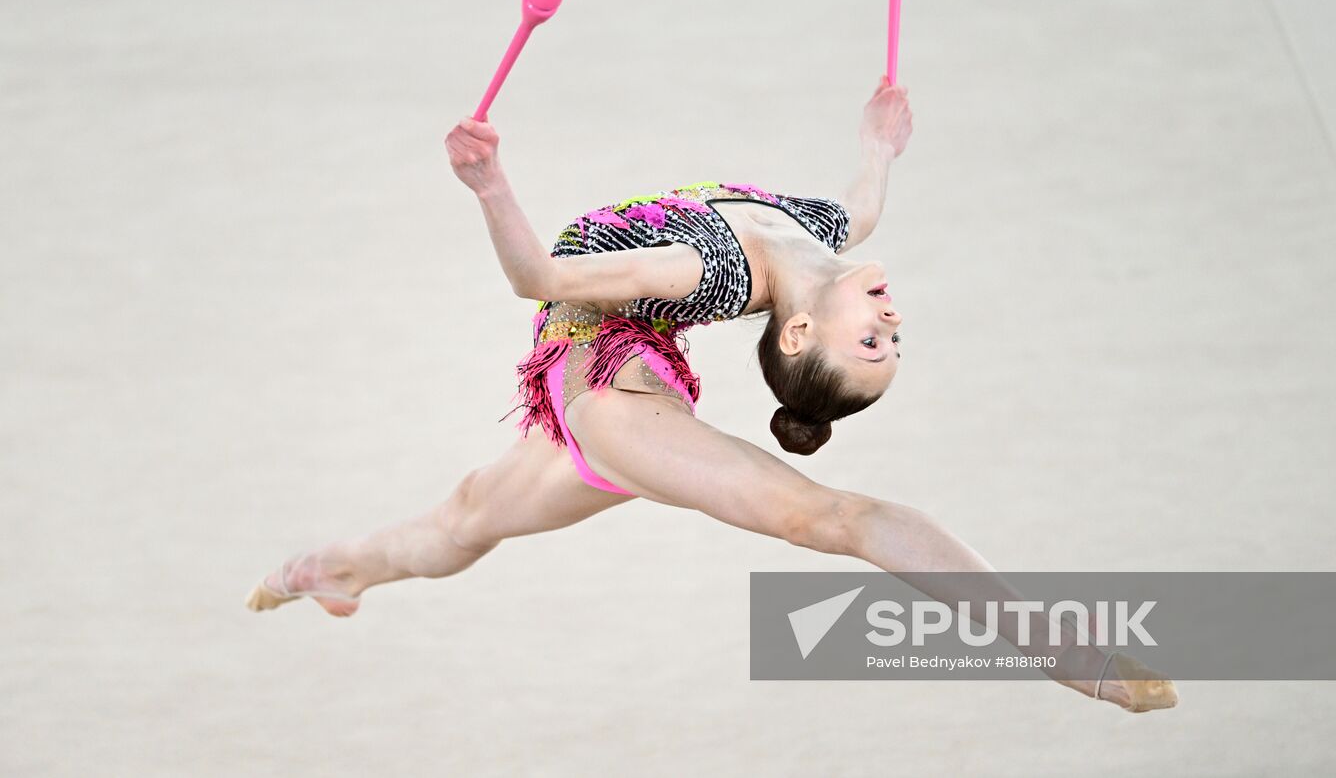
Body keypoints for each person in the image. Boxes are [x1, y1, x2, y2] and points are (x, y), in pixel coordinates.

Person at [246, 77, 1176, 714]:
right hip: (598, 390)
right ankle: (338, 567)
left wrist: (489, 183)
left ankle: (1059, 651)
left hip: (612, 393)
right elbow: (860, 210)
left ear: (798, 334)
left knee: (833, 517)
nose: (891, 323)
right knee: (463, 518)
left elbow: (537, 276)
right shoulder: (820, 234)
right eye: (892, 340)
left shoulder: (712, 268)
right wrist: (880, 144)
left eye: (873, 345)